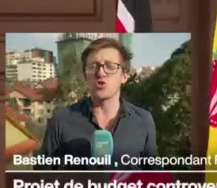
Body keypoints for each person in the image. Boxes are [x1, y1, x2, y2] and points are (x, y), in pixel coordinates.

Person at [37, 37, 157, 170]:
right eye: (93, 67)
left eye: (110, 66)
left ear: (124, 75)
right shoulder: (61, 120)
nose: (100, 73)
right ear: (85, 75)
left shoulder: (143, 120)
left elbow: (154, 176)